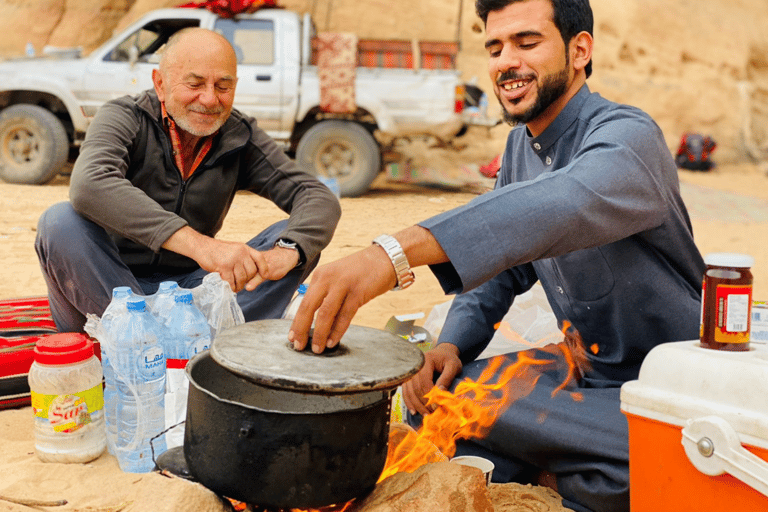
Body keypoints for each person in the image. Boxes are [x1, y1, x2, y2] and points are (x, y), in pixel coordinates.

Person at [288, 1, 704, 511]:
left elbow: (564, 202)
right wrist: (453, 346)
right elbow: (504, 267)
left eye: (527, 43)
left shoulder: (627, 136)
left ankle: (554, 475)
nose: (507, 61)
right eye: (495, 47)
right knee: (431, 399)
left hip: (666, 390)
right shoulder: (518, 150)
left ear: (580, 50)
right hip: (580, 375)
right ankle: (564, 471)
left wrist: (393, 252)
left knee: (680, 459)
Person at [35, 28, 341, 332]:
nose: (209, 99)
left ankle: (185, 340)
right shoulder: (125, 117)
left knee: (296, 236)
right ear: (160, 84)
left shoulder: (238, 135)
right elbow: (91, 183)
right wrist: (202, 247)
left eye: (223, 86)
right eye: (194, 84)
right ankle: (146, 337)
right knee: (60, 222)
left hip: (189, 295)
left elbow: (315, 196)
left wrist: (287, 253)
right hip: (109, 287)